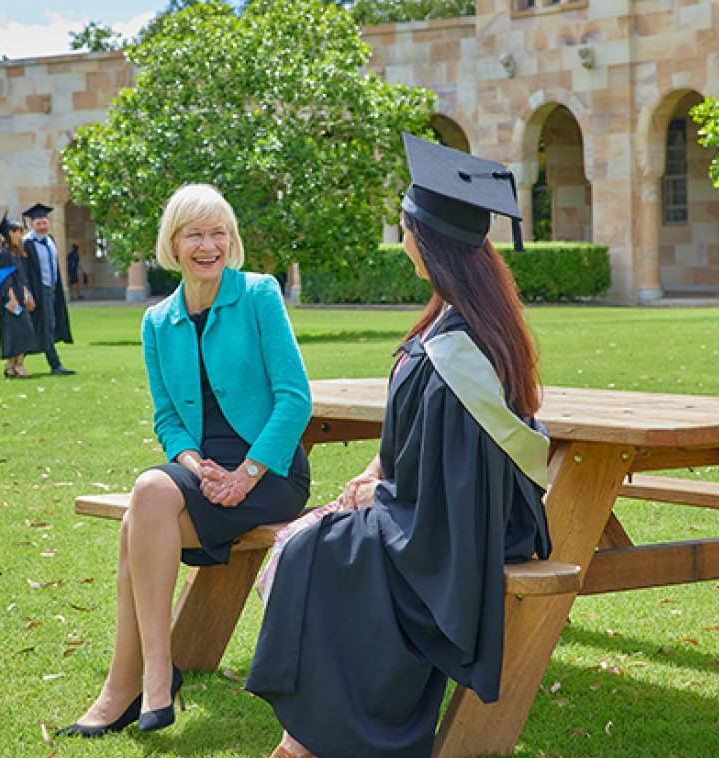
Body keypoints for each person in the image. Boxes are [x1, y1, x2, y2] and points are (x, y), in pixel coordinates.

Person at [246, 134, 553, 758]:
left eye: (405, 225)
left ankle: (309, 742)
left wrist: (380, 498)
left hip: (456, 529)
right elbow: (425, 451)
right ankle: (308, 739)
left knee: (315, 554)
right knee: (313, 545)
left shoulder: (456, 346)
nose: (402, 237)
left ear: (426, 242)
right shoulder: (467, 320)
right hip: (451, 513)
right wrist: (377, 478)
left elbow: (449, 475)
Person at [56, 183, 312, 738]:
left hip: (270, 473)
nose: (208, 245)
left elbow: (295, 398)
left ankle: (139, 681)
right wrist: (197, 468)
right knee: (147, 502)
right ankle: (143, 679)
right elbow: (169, 419)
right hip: (200, 474)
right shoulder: (157, 321)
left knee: (142, 507)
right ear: (173, 243)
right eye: (195, 233)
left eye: (219, 233)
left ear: (232, 240)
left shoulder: (259, 295)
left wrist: (245, 475)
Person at [21, 203, 75, 375]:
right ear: (31, 224)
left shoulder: (50, 241)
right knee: (42, 326)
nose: (42, 225)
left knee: (48, 325)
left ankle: (16, 362)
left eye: (44, 222)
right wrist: (27, 293)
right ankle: (54, 364)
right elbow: (24, 272)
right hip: (37, 291)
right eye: (38, 223)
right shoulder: (27, 244)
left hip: (51, 289)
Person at [0, 214, 38, 377]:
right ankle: (18, 365)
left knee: (19, 331)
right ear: (9, 233)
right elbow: (5, 280)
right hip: (8, 300)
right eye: (16, 230)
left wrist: (27, 295)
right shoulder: (2, 255)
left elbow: (22, 278)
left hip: (18, 297)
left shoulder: (16, 254)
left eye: (20, 230)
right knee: (19, 331)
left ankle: (11, 366)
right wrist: (12, 299)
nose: (20, 234)